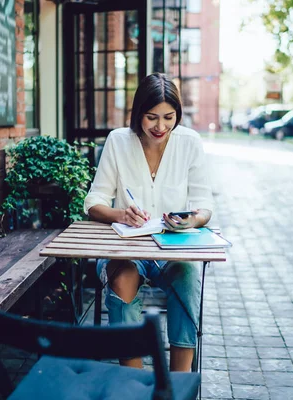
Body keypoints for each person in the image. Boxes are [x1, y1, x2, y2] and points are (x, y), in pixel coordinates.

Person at [83, 72, 214, 372]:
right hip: (126, 247)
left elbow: (205, 205)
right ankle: (135, 384)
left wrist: (191, 220)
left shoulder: (189, 142)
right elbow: (93, 203)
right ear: (138, 113)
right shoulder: (119, 141)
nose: (161, 126)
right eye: (152, 117)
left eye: (169, 117)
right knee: (123, 278)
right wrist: (121, 214)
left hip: (172, 249)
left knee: (188, 278)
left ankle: (178, 383)